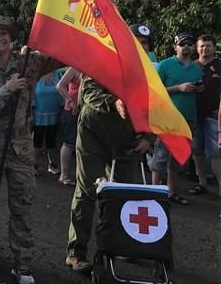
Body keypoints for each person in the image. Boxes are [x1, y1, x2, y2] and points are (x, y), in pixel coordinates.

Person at [0, 15, 61, 283]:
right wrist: (6, 90)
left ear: (11, 38)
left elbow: (65, 55)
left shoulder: (28, 62)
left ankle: (22, 264)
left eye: (3, 33)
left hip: (20, 149)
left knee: (22, 207)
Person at [65, 76, 154, 273]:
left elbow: (158, 104)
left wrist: (149, 138)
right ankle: (76, 252)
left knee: (126, 194)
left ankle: (119, 245)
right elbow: (89, 93)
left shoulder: (141, 68)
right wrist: (113, 102)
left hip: (126, 141)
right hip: (92, 136)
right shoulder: (100, 59)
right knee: (87, 192)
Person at [148, 32, 202, 205]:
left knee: (179, 158)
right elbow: (155, 90)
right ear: (175, 47)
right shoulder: (165, 65)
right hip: (167, 118)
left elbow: (198, 87)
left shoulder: (196, 67)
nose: (186, 47)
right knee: (160, 157)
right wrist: (178, 87)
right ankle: (154, 192)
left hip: (188, 119)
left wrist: (199, 89)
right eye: (182, 44)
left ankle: (171, 192)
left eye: (189, 44)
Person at [190, 34, 221, 196]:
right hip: (194, 115)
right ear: (197, 48)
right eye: (202, 45)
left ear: (214, 48)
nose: (205, 48)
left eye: (208, 45)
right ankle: (202, 183)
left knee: (216, 153)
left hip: (214, 116)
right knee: (197, 151)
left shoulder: (220, 66)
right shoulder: (191, 66)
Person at [32, 70, 63, 178]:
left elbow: (62, 91)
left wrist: (63, 106)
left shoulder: (58, 74)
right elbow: (32, 92)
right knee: (37, 141)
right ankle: (34, 165)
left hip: (54, 113)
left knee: (52, 141)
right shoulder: (37, 75)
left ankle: (52, 165)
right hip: (38, 114)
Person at [56, 67, 81, 185]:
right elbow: (60, 86)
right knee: (69, 142)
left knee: (81, 143)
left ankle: (80, 175)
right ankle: (64, 175)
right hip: (71, 110)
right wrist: (70, 100)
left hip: (83, 110)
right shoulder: (74, 69)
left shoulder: (91, 68)